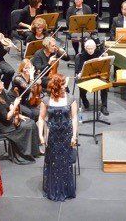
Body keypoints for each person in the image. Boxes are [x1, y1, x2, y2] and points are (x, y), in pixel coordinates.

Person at [37, 73, 78, 201]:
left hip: (66, 134)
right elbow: (41, 118)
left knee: (65, 161)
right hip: (52, 135)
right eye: (63, 84)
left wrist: (74, 136)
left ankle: (65, 189)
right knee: (53, 161)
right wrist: (41, 135)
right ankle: (54, 188)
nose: (65, 86)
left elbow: (74, 118)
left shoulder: (71, 99)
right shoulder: (46, 100)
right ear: (58, 86)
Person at [0, 77, 41, 165]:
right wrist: (16, 104)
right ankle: (24, 153)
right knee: (28, 126)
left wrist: (19, 115)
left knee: (30, 122)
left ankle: (32, 151)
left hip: (11, 121)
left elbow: (9, 105)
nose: (2, 82)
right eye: (0, 82)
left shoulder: (2, 92)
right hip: (6, 127)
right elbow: (7, 117)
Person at [74, 39, 109, 115]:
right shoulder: (82, 56)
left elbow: (105, 66)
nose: (90, 50)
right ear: (85, 48)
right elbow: (79, 69)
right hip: (86, 76)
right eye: (88, 49)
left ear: (95, 47)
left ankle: (104, 106)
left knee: (105, 84)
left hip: (97, 75)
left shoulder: (99, 53)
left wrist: (105, 58)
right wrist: (80, 73)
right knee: (81, 83)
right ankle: (84, 99)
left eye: (91, 48)